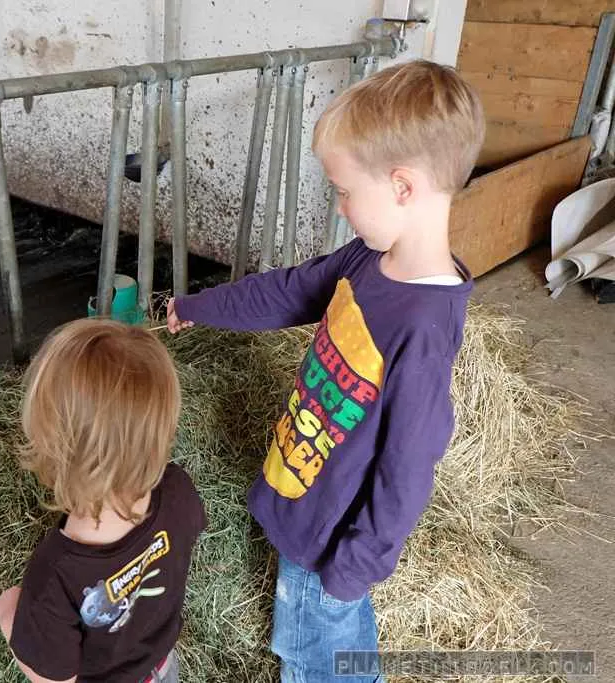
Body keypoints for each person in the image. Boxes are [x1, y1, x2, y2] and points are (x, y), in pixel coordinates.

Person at [165, 59, 485, 682]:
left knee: (314, 654)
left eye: (343, 190)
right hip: (306, 486)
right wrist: (197, 307)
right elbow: (290, 292)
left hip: (330, 539)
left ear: (402, 187)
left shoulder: (422, 324)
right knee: (330, 647)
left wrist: (354, 567)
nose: (339, 206)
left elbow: (407, 468)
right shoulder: (371, 256)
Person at [0, 318, 207, 683]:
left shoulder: (56, 573)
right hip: (161, 668)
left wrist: (9, 612)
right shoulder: (178, 491)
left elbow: (55, 678)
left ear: (56, 447)